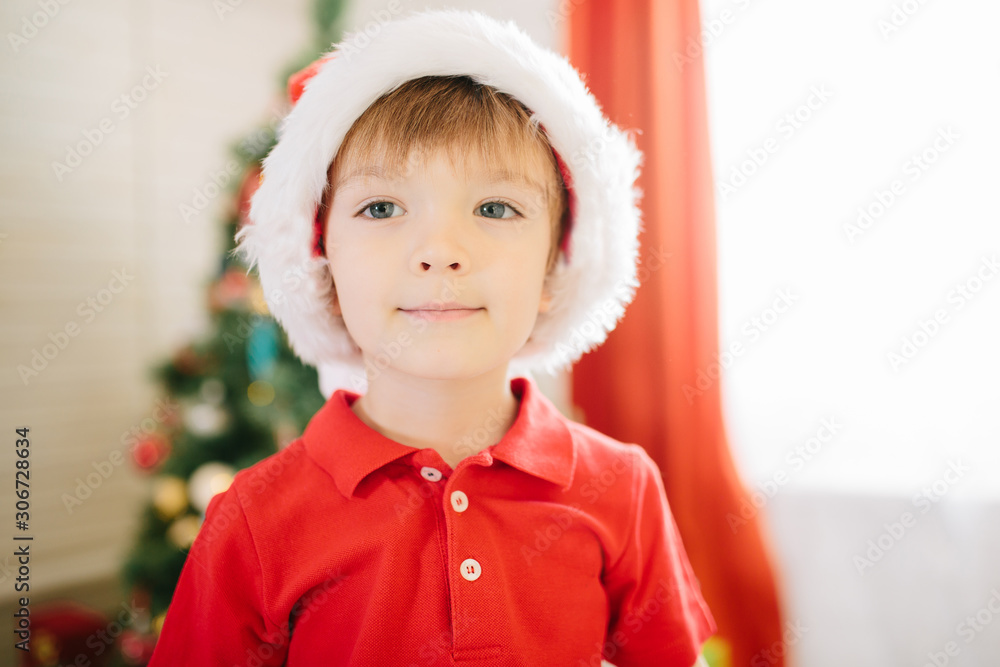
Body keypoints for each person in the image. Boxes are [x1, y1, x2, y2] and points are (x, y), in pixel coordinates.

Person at [148, 9, 716, 666]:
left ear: (556, 267)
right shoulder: (252, 521)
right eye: (382, 207)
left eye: (495, 208)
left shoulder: (622, 487)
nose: (441, 251)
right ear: (319, 258)